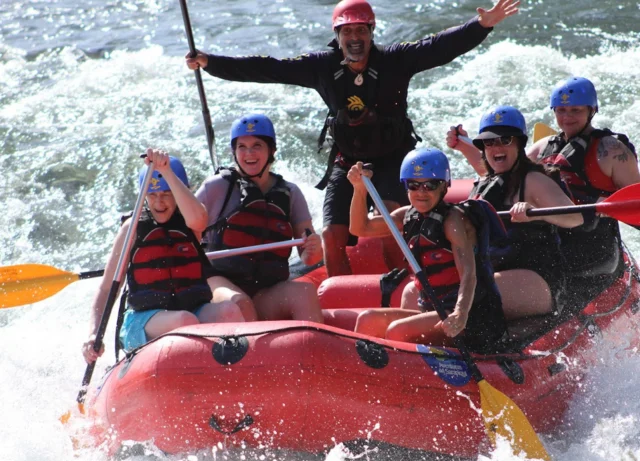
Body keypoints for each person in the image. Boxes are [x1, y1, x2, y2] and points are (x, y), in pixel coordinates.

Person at [186, 0, 520, 277]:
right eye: (348, 32)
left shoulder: (395, 60)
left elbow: (440, 47)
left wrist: (482, 25)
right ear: (338, 36)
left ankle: (406, 284)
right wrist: (211, 63)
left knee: (391, 223)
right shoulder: (321, 66)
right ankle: (342, 297)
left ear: (372, 33)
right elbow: (268, 67)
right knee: (332, 235)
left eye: (362, 30)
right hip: (348, 161)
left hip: (394, 159)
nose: (355, 38)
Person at [82, 150, 244, 363]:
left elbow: (199, 219)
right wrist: (94, 333)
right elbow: (106, 289)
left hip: (191, 310)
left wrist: (166, 170)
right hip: (143, 321)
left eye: (167, 194)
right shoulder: (131, 229)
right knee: (185, 320)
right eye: (152, 195)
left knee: (230, 311)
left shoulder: (190, 223)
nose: (159, 203)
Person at [346, 148, 507, 352]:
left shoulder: (453, 220)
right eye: (414, 185)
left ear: (444, 187)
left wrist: (460, 314)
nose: (421, 192)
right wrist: (359, 188)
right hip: (434, 310)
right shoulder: (406, 216)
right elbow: (360, 228)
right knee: (367, 320)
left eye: (430, 185)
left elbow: (469, 273)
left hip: (469, 315)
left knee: (397, 331)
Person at [446, 106, 583, 320]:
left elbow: (575, 217)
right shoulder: (487, 181)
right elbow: (489, 168)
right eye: (489, 142)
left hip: (538, 281)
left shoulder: (534, 181)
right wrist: (464, 146)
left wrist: (535, 213)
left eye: (505, 140)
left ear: (520, 143)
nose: (496, 147)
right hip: (497, 271)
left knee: (470, 297)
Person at [196, 114, 324, 323]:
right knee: (241, 304)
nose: (249, 153)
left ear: (271, 150)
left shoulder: (290, 193)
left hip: (265, 290)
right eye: (242, 147)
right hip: (219, 283)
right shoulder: (216, 187)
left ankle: (314, 353)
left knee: (304, 292)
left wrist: (314, 247)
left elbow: (310, 258)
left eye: (257, 145)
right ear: (234, 152)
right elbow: (183, 230)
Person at [528, 77, 640, 304]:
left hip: (595, 253)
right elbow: (503, 179)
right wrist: (465, 146)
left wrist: (603, 203)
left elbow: (636, 205)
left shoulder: (611, 151)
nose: (567, 117)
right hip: (550, 248)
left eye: (575, 110)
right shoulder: (543, 147)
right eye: (561, 110)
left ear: (592, 110)